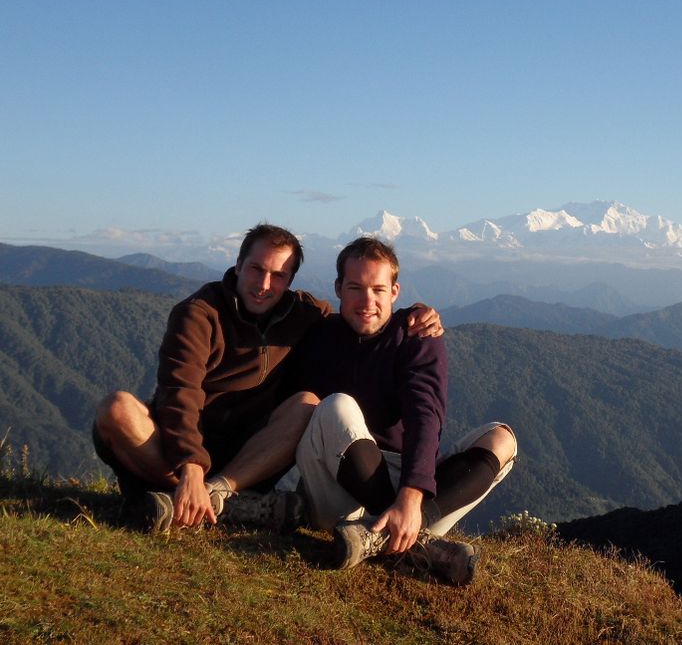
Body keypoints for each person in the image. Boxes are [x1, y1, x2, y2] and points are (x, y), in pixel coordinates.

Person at [92, 223, 442, 532]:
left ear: (290, 280)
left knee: (307, 404)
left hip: (250, 456)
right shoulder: (199, 314)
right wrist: (192, 467)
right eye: (256, 269)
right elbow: (179, 391)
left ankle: (208, 498)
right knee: (116, 408)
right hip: (179, 446)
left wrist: (413, 316)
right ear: (238, 265)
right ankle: (204, 499)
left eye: (278, 275)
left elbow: (362, 309)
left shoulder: (304, 314)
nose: (264, 284)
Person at [291, 236, 517, 585]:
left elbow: (425, 413)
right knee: (336, 406)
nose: (368, 301)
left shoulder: (416, 335)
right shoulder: (317, 333)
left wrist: (411, 497)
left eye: (378, 290)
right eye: (356, 288)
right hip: (334, 485)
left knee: (502, 439)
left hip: (402, 480)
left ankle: (393, 531)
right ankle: (413, 540)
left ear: (395, 292)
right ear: (337, 289)